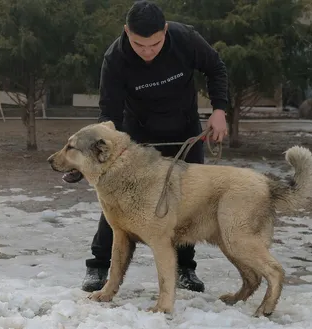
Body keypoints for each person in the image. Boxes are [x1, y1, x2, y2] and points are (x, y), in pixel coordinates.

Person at [81, 0, 228, 294]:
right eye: (139, 45)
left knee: (188, 200)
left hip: (185, 131)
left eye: (155, 44)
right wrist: (110, 142)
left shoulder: (186, 39)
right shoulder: (115, 58)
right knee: (118, 199)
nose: (147, 52)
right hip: (139, 136)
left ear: (165, 30)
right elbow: (108, 110)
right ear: (127, 32)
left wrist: (220, 110)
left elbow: (216, 69)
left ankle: (186, 268)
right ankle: (98, 266)